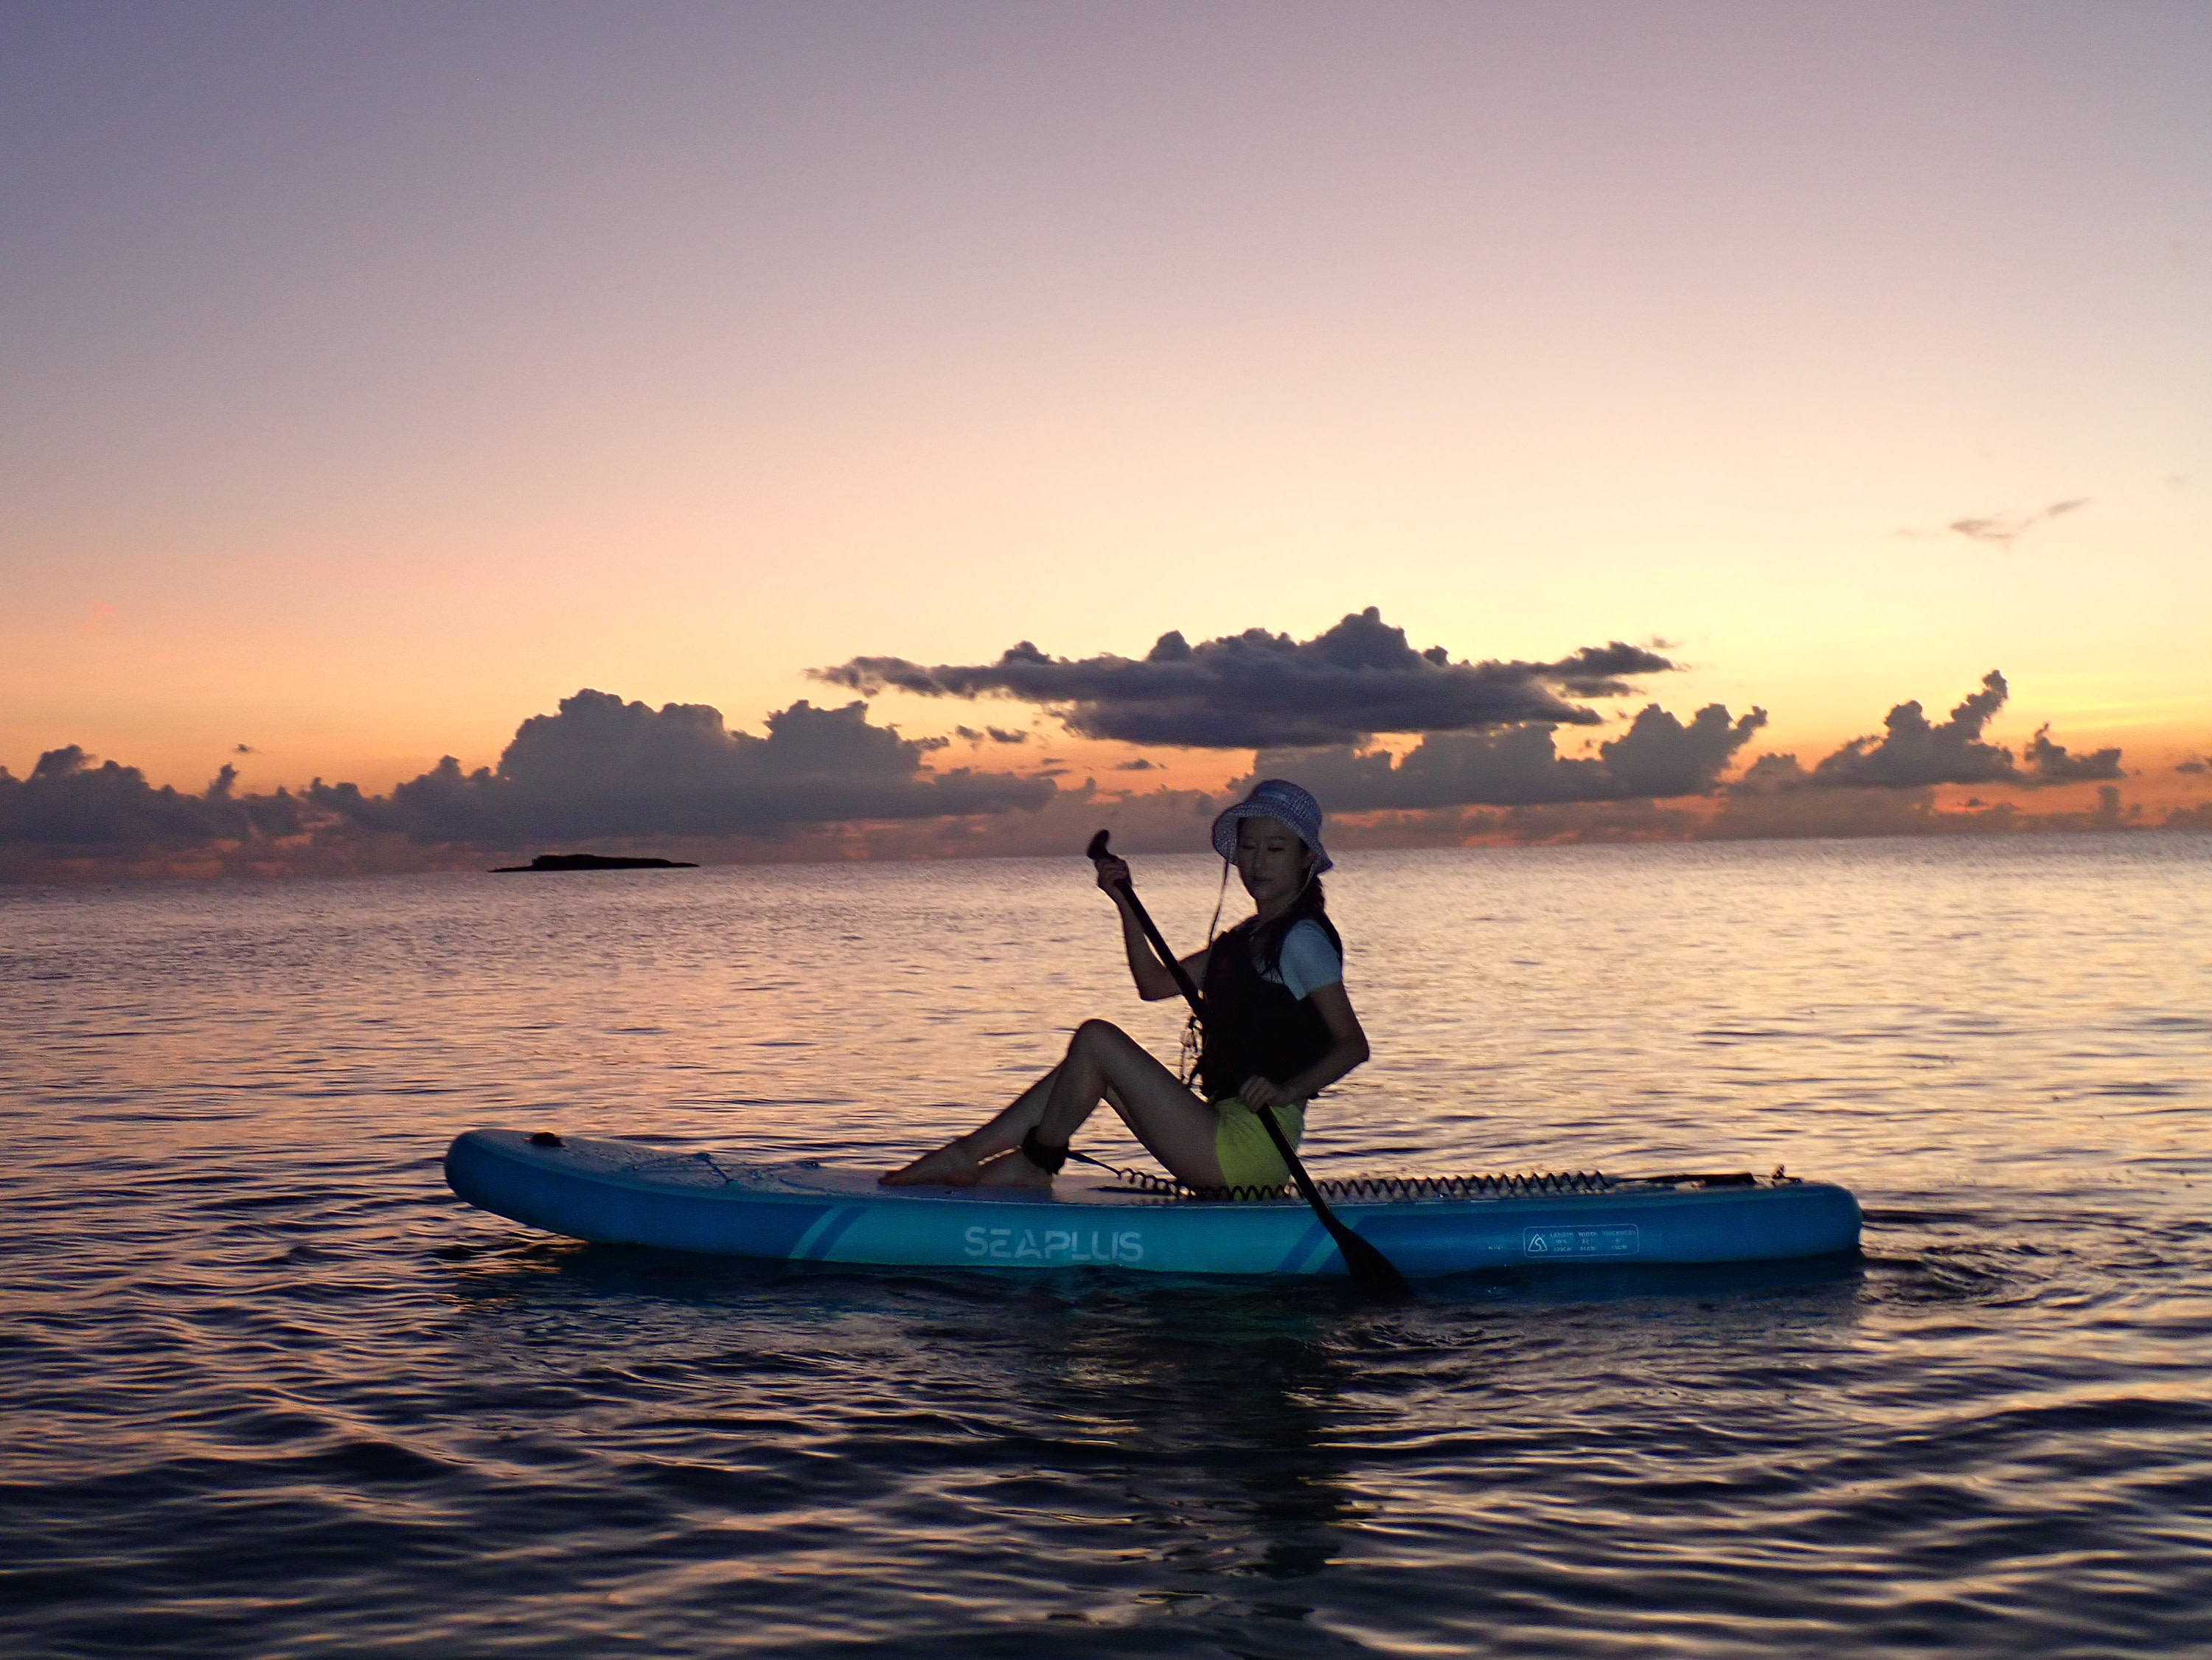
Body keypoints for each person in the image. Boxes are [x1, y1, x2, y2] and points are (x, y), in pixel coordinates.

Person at [881, 779, 1369, 1192]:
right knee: (1087, 1063)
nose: (1258, 861)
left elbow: (1353, 1045)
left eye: (1276, 848)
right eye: (1249, 846)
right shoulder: (1244, 939)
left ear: (1306, 858)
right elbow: (1154, 984)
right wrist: (1125, 903)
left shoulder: (1302, 939)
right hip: (1220, 1127)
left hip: (1253, 1149)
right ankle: (972, 1154)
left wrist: (1289, 1088)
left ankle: (1029, 1163)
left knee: (1097, 1038)